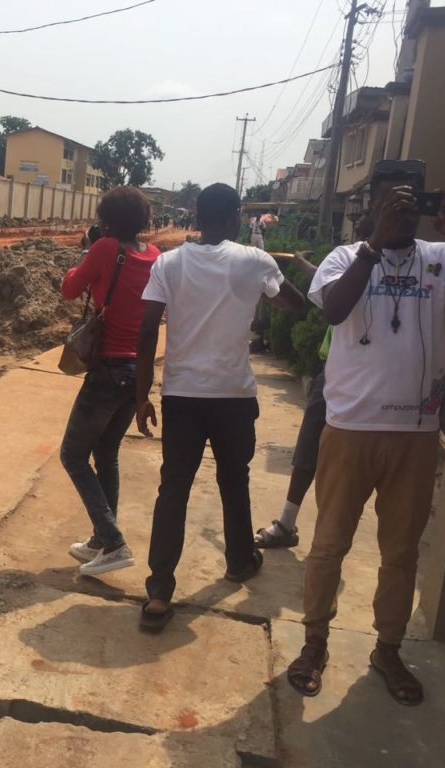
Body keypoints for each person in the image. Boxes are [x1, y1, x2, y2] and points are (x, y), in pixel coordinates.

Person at [286, 161, 445, 705]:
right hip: (350, 428)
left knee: (401, 553)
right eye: (389, 203)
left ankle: (388, 648)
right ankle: (314, 642)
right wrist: (374, 245)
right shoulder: (343, 258)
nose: (401, 213)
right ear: (373, 207)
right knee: (329, 544)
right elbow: (334, 310)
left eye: (409, 203)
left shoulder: (441, 257)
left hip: (416, 433)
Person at [135, 183, 305, 631]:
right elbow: (292, 302)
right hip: (233, 396)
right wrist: (281, 276)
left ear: (196, 216)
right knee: (234, 480)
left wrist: (141, 395)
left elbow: (147, 328)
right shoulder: (254, 261)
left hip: (181, 396)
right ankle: (238, 561)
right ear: (235, 218)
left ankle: (159, 592)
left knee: (173, 488)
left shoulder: (168, 263)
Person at [59, 187, 162, 577]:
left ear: (106, 221)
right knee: (106, 453)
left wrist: (88, 252)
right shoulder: (154, 255)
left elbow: (70, 288)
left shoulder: (104, 249)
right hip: (137, 373)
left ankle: (114, 541)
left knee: (73, 456)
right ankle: (102, 539)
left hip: (108, 370)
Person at [255, 218, 374, 549]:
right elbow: (322, 277)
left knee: (342, 459)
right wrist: (301, 262)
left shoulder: (375, 272)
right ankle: (288, 522)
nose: (354, 243)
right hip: (333, 371)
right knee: (309, 446)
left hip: (355, 377)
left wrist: (302, 264)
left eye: (360, 236)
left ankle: (326, 535)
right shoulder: (350, 265)